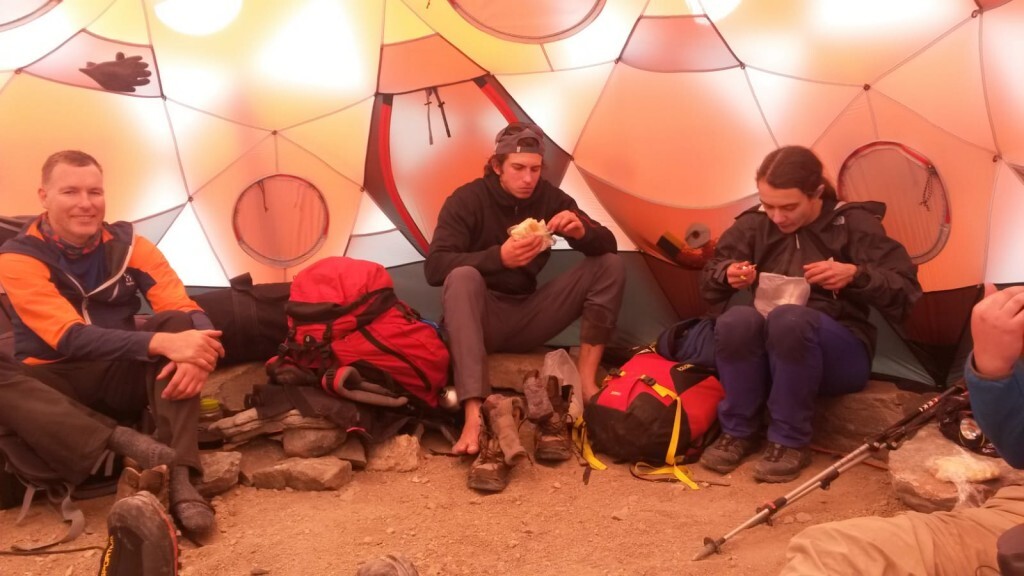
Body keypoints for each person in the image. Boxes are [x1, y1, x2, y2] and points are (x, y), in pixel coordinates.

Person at [0, 150, 224, 535]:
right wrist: (162, 344)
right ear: (44, 196)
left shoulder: (131, 246)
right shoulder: (17, 257)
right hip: (55, 386)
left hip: (120, 378)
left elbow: (182, 305)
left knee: (175, 324)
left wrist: (195, 347)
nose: (86, 204)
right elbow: (69, 338)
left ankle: (182, 477)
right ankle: (122, 442)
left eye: (95, 192)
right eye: (70, 192)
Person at [698, 145, 921, 483]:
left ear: (816, 193)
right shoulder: (755, 225)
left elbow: (905, 289)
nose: (777, 216)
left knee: (789, 319)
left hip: (839, 356)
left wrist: (855, 275)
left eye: (788, 207)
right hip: (772, 354)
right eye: (768, 204)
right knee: (736, 320)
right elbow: (709, 278)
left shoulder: (852, 223)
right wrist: (726, 273)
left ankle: (790, 440)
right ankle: (739, 431)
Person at [424, 122, 624, 485]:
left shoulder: (550, 199)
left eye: (535, 169)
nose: (528, 178)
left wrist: (583, 232)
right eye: (518, 168)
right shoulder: (467, 199)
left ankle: (587, 384)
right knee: (463, 275)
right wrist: (497, 257)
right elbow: (435, 267)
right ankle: (474, 415)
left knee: (609, 263)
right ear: (497, 166)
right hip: (477, 317)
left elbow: (606, 242)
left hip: (529, 312)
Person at [777, 285, 1024, 575]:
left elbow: (898, 285)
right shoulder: (751, 239)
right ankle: (759, 437)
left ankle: (785, 437)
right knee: (833, 551)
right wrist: (992, 368)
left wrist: (856, 275)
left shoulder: (860, 240)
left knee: (790, 321)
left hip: (850, 338)